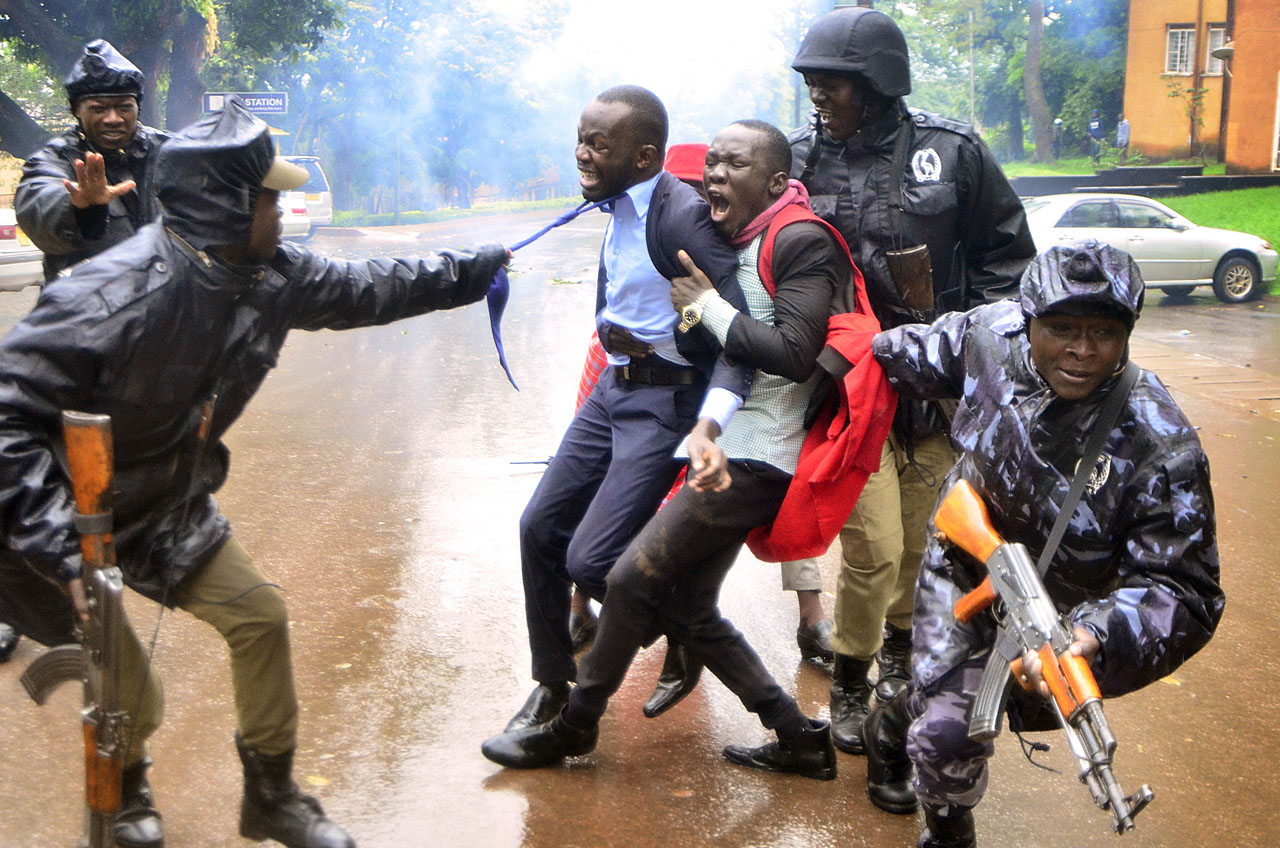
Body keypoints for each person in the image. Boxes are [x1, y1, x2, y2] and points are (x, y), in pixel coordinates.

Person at [0, 98, 508, 848]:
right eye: (270, 195)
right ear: (227, 204)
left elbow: (372, 287)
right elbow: (6, 414)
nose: (283, 207)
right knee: (130, 687)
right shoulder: (109, 297)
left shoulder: (268, 271)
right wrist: (56, 542)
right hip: (76, 518)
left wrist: (473, 269)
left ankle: (272, 795)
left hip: (170, 504)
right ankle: (131, 788)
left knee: (260, 619)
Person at [481, 119, 882, 776]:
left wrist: (708, 309)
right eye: (712, 165)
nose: (714, 178)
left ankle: (576, 724)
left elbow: (793, 353)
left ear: (778, 181)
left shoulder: (802, 240)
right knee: (686, 606)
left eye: (733, 165)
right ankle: (797, 736)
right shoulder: (735, 238)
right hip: (725, 444)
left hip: (757, 455)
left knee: (630, 576)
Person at [860, 241, 1224, 847]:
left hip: (1063, 606)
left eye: (1104, 333)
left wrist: (1095, 635)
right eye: (1060, 329)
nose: (1081, 352)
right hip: (963, 557)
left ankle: (899, 716)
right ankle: (947, 827)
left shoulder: (1161, 444)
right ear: (1027, 319)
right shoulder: (990, 337)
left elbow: (1184, 590)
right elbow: (900, 353)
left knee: (958, 697)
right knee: (952, 729)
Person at [784, 5, 1037, 756]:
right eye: (812, 85)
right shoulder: (796, 160)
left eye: (831, 85)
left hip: (935, 400)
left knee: (923, 551)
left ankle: (898, 672)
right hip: (847, 398)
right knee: (873, 549)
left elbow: (1009, 260)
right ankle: (852, 685)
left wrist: (964, 343)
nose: (818, 99)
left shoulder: (953, 152)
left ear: (876, 84)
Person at [498, 85, 751, 738]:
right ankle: (551, 685)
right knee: (538, 528)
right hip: (612, 391)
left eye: (598, 145)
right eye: (580, 138)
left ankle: (687, 630)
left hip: (663, 403)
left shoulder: (682, 216)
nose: (581, 154)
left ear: (643, 158)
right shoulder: (615, 206)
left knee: (590, 562)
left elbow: (738, 329)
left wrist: (708, 418)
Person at [15, 40, 169, 283]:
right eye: (98, 109)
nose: (113, 119)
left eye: (124, 107)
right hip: (87, 310)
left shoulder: (173, 152)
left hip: (168, 308)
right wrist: (81, 210)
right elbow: (38, 208)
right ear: (77, 110)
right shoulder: (54, 160)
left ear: (137, 107)